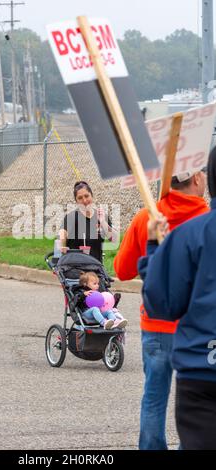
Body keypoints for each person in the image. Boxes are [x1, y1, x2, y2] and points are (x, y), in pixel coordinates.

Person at [114, 167, 209, 450]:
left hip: (155, 323)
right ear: (195, 179)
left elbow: (123, 269)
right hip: (195, 327)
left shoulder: (148, 217)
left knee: (154, 397)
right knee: (196, 399)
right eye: (201, 172)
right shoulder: (206, 219)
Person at [138, 149, 216, 450]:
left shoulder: (184, 233)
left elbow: (161, 302)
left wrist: (156, 251)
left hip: (201, 369)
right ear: (197, 180)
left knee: (154, 398)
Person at [59, 181, 118, 263]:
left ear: (92, 196)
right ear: (76, 201)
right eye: (80, 198)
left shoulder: (102, 216)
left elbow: (115, 240)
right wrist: (62, 246)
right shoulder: (71, 217)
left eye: (87, 196)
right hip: (75, 267)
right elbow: (62, 233)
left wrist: (103, 222)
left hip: (96, 266)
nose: (84, 200)